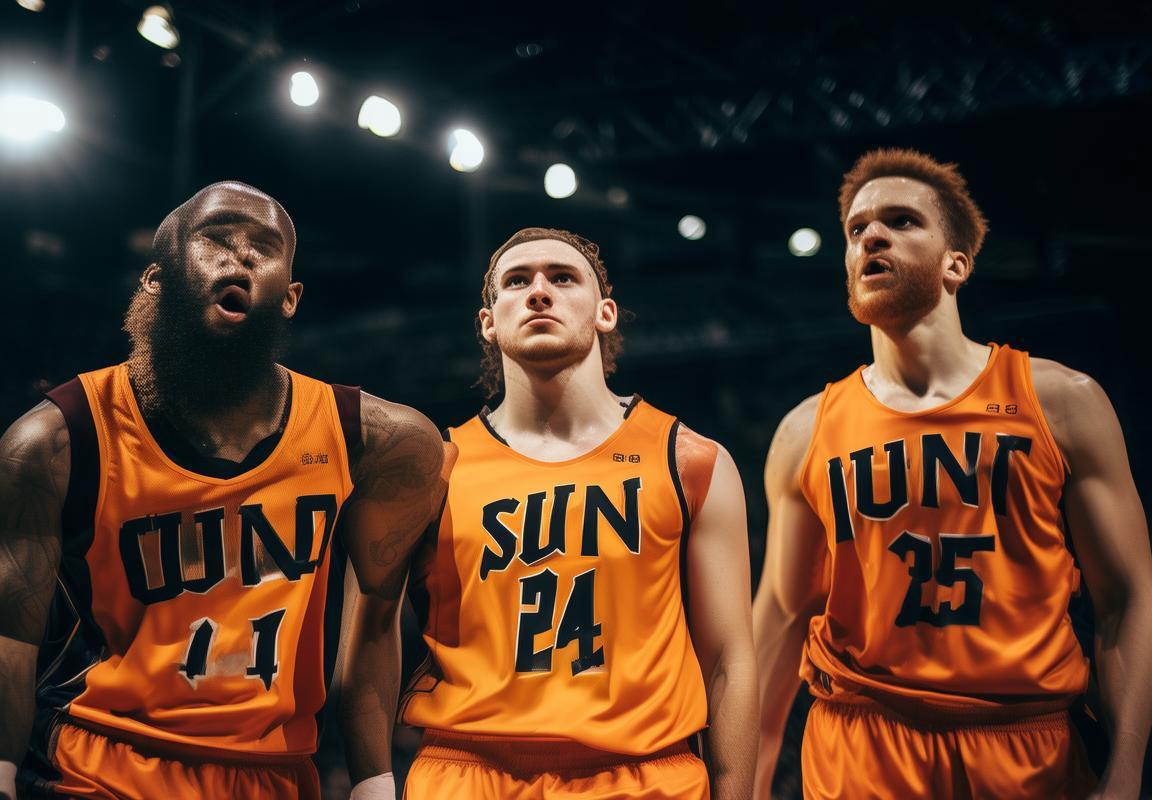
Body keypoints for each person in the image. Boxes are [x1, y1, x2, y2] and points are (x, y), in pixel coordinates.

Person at [0, 181, 444, 800]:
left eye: (264, 247)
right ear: (155, 280)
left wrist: (374, 784)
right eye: (216, 239)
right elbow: (12, 637)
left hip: (275, 775)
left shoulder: (371, 439)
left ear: (290, 298)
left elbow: (374, 625)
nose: (241, 256)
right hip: (96, 766)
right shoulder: (57, 439)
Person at [752, 149, 1152, 799]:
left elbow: (1127, 599)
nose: (871, 236)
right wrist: (747, 781)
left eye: (901, 221)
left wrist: (1128, 772)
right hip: (861, 747)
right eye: (856, 229)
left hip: (1025, 749)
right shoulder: (805, 431)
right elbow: (780, 612)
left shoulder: (1061, 401)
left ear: (956, 264)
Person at [348, 227, 757, 798]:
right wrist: (370, 784)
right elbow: (370, 633)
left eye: (563, 278)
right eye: (517, 282)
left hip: (646, 775)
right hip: (467, 773)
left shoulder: (689, 460)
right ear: (488, 322)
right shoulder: (430, 469)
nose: (539, 291)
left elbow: (730, 659)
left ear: (605, 312)